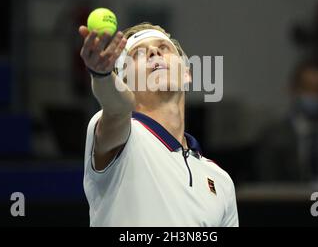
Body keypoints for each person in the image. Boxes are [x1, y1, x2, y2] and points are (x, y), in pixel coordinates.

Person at [78, 22, 238, 226]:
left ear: (186, 74)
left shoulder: (221, 181)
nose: (154, 51)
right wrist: (102, 76)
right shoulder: (122, 135)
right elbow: (117, 107)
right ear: (124, 82)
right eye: (138, 54)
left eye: (164, 48)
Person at [255, 60, 318, 182]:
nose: (314, 95)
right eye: (308, 88)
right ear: (293, 90)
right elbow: (266, 184)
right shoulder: (272, 137)